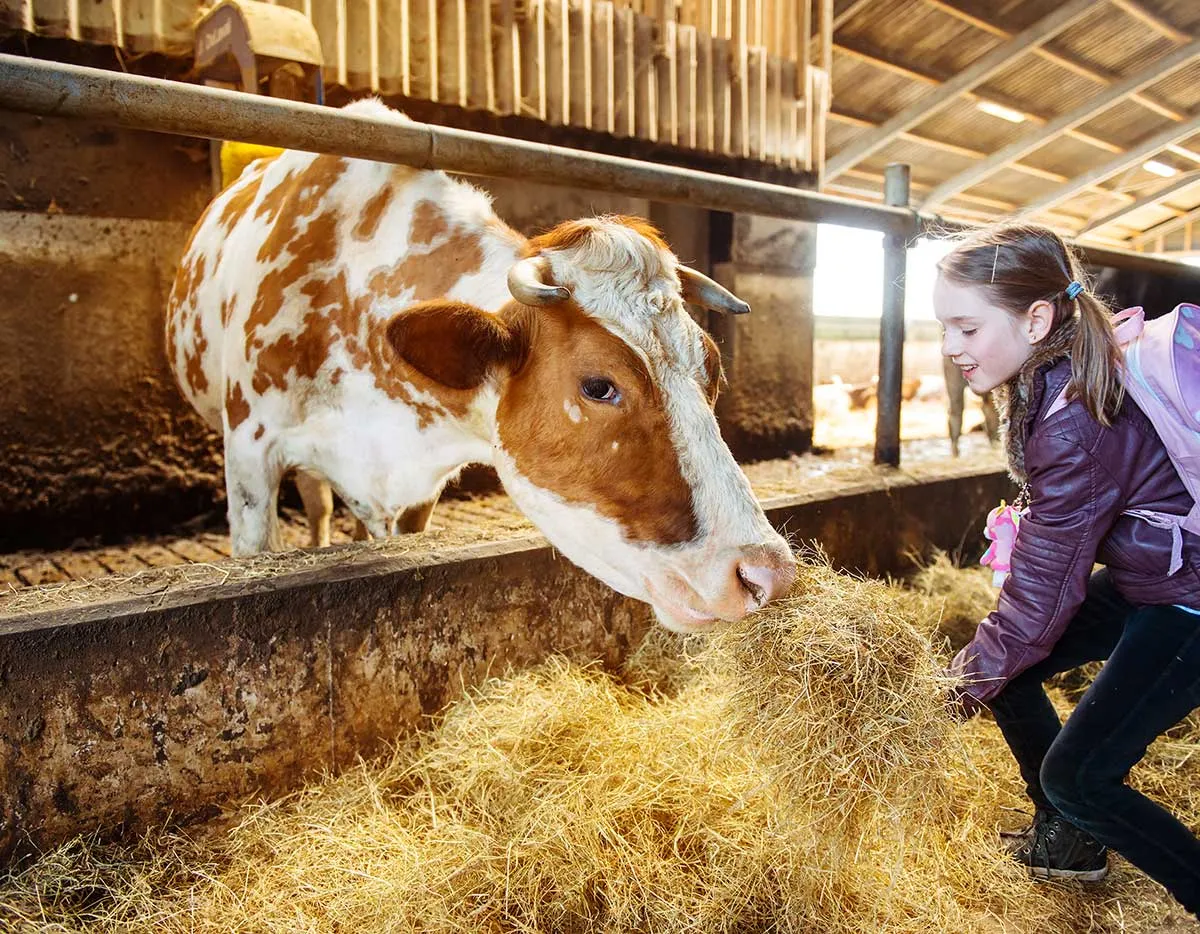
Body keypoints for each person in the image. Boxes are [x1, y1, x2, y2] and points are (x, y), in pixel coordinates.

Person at [933, 222, 1200, 916]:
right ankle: (1071, 843)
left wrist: (947, 695)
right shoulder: (1053, 376)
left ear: (1038, 318)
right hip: (1158, 574)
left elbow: (1042, 600)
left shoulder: (1074, 417)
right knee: (1008, 668)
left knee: (1080, 775)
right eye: (944, 328)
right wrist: (985, 665)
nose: (949, 347)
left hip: (1190, 598)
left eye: (965, 327)